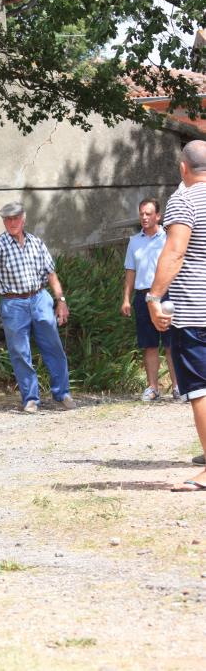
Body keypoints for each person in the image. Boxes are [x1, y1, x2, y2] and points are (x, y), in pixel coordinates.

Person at [147, 140, 206, 489]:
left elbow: (174, 251)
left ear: (183, 168)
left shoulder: (184, 199)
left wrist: (153, 297)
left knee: (200, 390)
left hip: (196, 312)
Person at [0, 201, 74, 413]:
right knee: (20, 352)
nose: (12, 222)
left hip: (40, 297)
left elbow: (52, 275)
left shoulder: (37, 243)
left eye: (16, 218)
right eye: (8, 219)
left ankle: (62, 393)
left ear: (24, 219)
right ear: (3, 222)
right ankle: (31, 399)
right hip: (13, 303)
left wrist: (61, 301)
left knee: (54, 347)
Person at [121, 198, 179, 401]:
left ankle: (178, 387)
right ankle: (153, 387)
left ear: (158, 216)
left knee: (172, 343)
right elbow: (130, 271)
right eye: (142, 214)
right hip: (143, 296)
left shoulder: (169, 238)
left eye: (148, 214)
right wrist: (126, 298)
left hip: (167, 294)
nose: (144, 217)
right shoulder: (134, 241)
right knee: (149, 344)